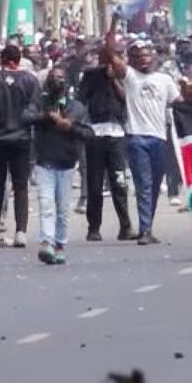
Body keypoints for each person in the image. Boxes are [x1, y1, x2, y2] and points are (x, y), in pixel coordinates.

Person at [114, 41, 180, 246]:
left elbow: (179, 102)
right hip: (136, 138)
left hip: (159, 138)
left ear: (153, 57)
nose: (143, 59)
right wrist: (115, 23)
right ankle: (145, 230)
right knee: (144, 184)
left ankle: (147, 227)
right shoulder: (130, 78)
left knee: (153, 187)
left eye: (146, 55)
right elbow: (110, 54)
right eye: (138, 56)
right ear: (132, 60)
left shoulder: (165, 80)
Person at [0, 42, 39, 248]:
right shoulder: (30, 81)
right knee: (21, 186)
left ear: (2, 59)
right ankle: (21, 231)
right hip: (21, 138)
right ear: (19, 60)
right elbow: (35, 109)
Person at [76, 43, 135, 242]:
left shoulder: (124, 76)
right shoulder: (91, 75)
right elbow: (81, 99)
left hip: (117, 133)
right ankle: (93, 227)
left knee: (119, 182)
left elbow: (126, 98)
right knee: (94, 183)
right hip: (95, 133)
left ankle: (125, 226)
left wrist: (113, 79)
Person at [31, 70, 87, 265]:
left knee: (62, 208)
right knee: (46, 204)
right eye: (53, 78)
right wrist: (48, 116)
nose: (57, 81)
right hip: (44, 162)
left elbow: (88, 133)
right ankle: (46, 242)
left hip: (67, 164)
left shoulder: (76, 107)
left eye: (62, 78)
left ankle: (59, 245)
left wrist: (68, 126)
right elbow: (26, 117)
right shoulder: (40, 103)